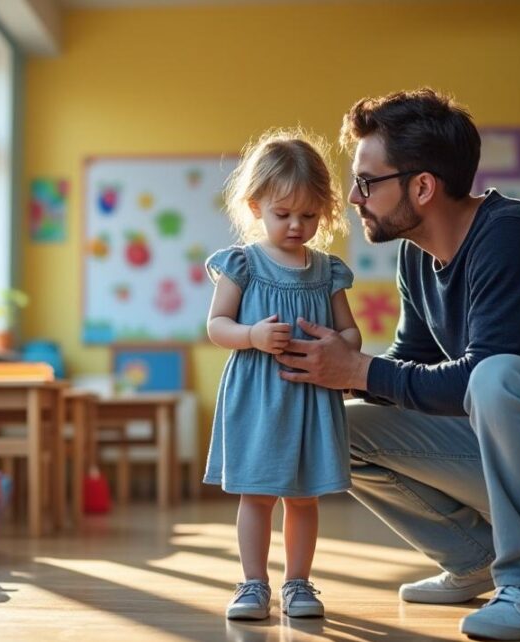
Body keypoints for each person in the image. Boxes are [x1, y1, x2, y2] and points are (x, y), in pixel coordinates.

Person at [274, 89, 520, 641]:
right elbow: (411, 366)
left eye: (367, 181)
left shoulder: (512, 235)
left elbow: (482, 373)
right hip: (515, 446)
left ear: (422, 187)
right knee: (336, 428)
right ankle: (472, 557)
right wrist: (323, 374)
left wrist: (355, 369)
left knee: (498, 373)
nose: (354, 197)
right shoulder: (417, 256)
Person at [204, 129, 359, 621]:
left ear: (324, 212)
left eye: (309, 216)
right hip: (257, 397)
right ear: (256, 207)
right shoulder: (243, 264)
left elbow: (350, 333)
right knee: (256, 495)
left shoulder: (328, 270)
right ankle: (253, 583)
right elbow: (216, 326)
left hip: (309, 397)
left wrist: (338, 346)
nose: (296, 225)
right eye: (284, 213)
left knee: (304, 498)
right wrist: (251, 335)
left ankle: (298, 583)